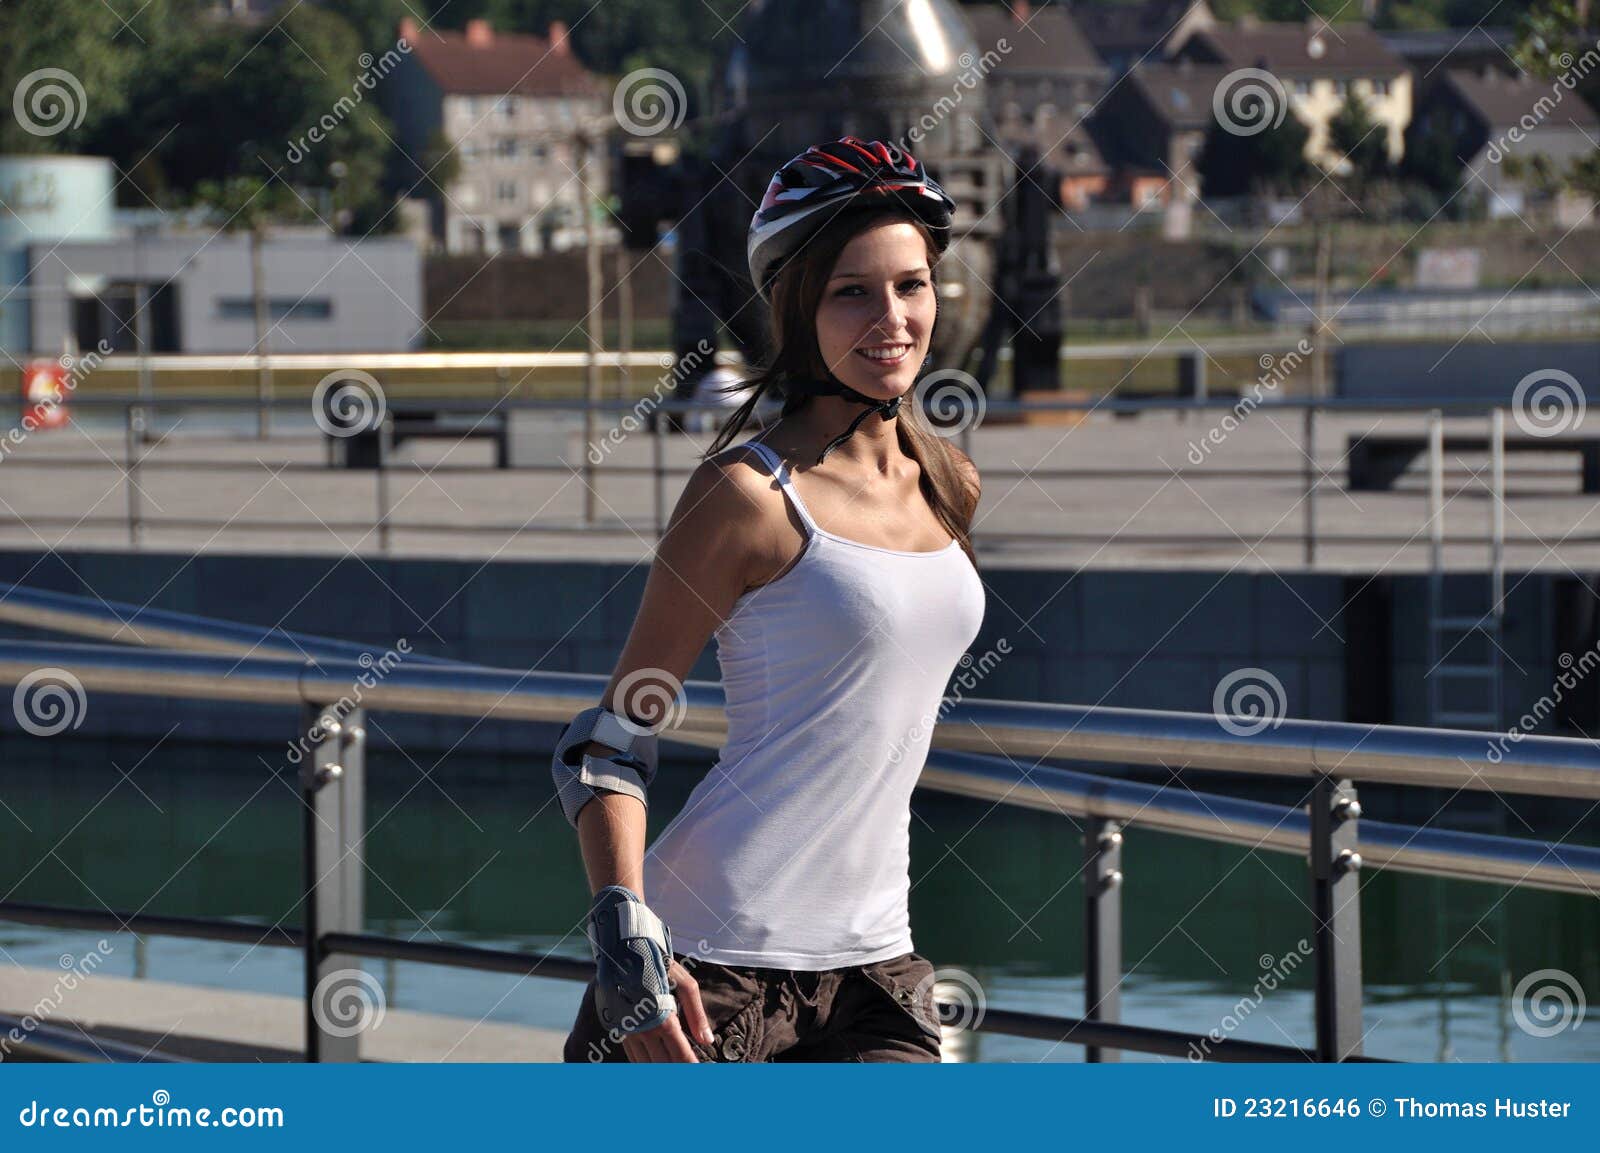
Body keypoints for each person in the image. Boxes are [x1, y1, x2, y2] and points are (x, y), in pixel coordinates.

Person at [553, 138, 985, 1063]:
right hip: (709, 968)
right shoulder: (748, 495)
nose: (893, 318)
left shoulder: (951, 483)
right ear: (796, 307)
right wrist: (626, 936)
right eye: (852, 292)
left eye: (912, 284)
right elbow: (608, 744)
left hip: (881, 963)